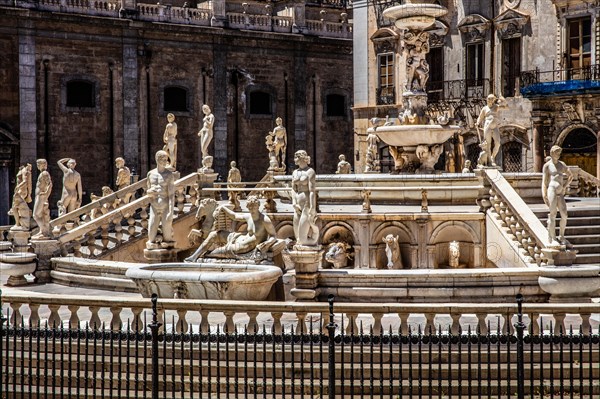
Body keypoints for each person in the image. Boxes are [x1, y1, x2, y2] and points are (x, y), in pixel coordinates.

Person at [184, 195, 283, 261]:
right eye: (250, 207)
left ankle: (205, 257)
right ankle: (194, 256)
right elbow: (234, 216)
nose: (252, 209)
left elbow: (273, 236)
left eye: (254, 207)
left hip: (245, 246)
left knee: (219, 252)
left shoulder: (265, 220)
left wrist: (267, 243)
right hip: (238, 238)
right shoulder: (248, 216)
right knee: (214, 234)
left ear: (258, 206)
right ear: (247, 207)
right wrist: (223, 208)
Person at [542, 145, 573, 246]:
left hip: (560, 191)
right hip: (552, 190)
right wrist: (544, 194)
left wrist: (564, 186)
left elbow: (571, 176)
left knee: (564, 215)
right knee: (553, 214)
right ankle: (553, 238)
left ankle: (562, 236)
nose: (558, 155)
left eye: (559, 153)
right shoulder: (547, 166)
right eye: (557, 153)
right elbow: (544, 182)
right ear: (551, 153)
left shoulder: (562, 165)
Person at [146, 150, 176, 248]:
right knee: (151, 238)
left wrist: (171, 212)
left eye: (166, 159)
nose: (164, 161)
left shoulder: (169, 175)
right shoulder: (150, 174)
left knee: (168, 239)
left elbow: (171, 195)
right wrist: (149, 192)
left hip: (165, 206)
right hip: (154, 207)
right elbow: (147, 191)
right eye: (162, 159)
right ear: (157, 159)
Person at [291, 150, 319, 246]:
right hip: (297, 205)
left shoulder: (310, 172)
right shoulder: (295, 172)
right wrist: (294, 203)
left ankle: (314, 234)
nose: (294, 159)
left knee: (302, 240)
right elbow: (293, 189)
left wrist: (313, 207)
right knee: (297, 236)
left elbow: (312, 191)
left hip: (306, 205)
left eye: (296, 157)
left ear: (301, 158)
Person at [476, 94, 506, 167]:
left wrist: (502, 99)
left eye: (491, 99)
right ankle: (489, 161)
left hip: (495, 126)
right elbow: (480, 117)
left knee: (498, 143)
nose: (489, 100)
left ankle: (492, 157)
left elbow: (506, 107)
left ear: (493, 100)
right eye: (488, 99)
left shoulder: (496, 107)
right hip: (487, 126)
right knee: (488, 144)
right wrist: (477, 122)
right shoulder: (484, 108)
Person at [32, 159, 52, 239]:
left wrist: (46, 194)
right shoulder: (42, 173)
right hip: (39, 196)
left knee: (35, 215)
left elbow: (50, 184)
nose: (37, 166)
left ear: (42, 165)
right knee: (40, 215)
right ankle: (42, 231)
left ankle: (44, 231)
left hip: (41, 196)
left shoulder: (44, 173)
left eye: (38, 164)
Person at [9, 163, 32, 230]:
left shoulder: (24, 170)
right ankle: (19, 223)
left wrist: (17, 186)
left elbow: (25, 181)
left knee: (14, 207)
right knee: (16, 208)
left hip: (22, 191)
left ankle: (18, 223)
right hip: (21, 190)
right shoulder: (23, 170)